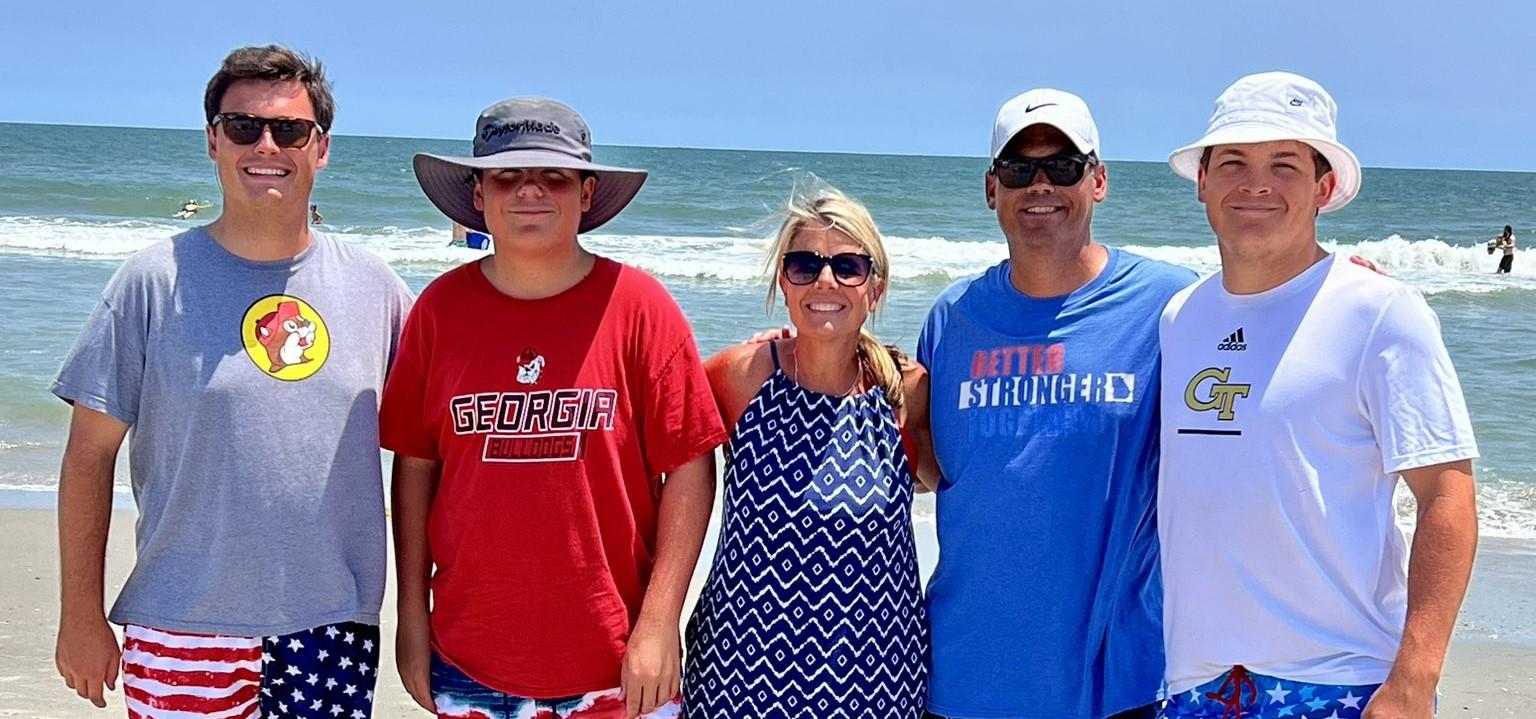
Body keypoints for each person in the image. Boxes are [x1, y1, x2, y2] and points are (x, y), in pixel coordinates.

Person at [51, 45, 413, 718]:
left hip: (332, 625)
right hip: (181, 620)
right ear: (214, 140)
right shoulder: (152, 281)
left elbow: (433, 453)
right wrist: (80, 615)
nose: (266, 144)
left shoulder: (378, 289)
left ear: (322, 147)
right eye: (244, 126)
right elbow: (88, 456)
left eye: (290, 130)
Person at [381, 97, 726, 719]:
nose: (529, 191)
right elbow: (415, 466)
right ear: (478, 194)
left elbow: (692, 469)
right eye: (507, 176)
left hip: (619, 663)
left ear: (586, 193)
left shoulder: (641, 306)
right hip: (470, 657)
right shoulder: (438, 310)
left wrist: (658, 623)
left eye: (554, 176)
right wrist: (412, 616)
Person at [1158, 72, 1479, 719]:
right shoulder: (1179, 316)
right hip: (1197, 687)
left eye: (1284, 164)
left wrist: (1413, 682)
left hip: (1339, 684)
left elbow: (1448, 493)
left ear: (1324, 186)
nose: (1256, 183)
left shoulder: (1380, 311)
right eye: (1235, 162)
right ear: (1203, 182)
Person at [917, 90, 1195, 719]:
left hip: (1117, 682)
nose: (1040, 184)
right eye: (1019, 170)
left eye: (1063, 166)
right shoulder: (952, 318)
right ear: (992, 189)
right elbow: (931, 465)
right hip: (963, 675)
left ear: (1098, 181)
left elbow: (1263, 356)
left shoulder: (1173, 305)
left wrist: (1333, 283)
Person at [683, 187, 935, 718]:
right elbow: (664, 471)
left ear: (876, 287)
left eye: (848, 265)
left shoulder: (905, 389)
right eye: (804, 264)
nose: (825, 280)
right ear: (784, 281)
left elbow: (951, 482)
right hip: (740, 676)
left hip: (877, 678)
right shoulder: (740, 377)